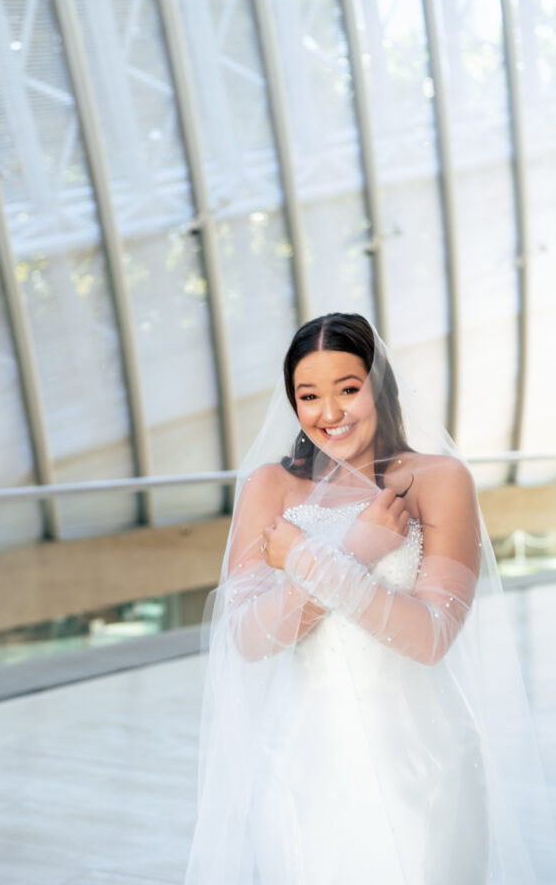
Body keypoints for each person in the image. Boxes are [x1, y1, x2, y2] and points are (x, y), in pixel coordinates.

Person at [185, 312, 555, 884]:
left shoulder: (439, 480)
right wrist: (355, 550)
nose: (329, 414)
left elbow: (432, 638)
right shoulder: (271, 487)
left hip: (422, 761)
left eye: (348, 390)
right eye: (308, 396)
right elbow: (249, 639)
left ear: (379, 386)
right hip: (300, 762)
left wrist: (315, 558)